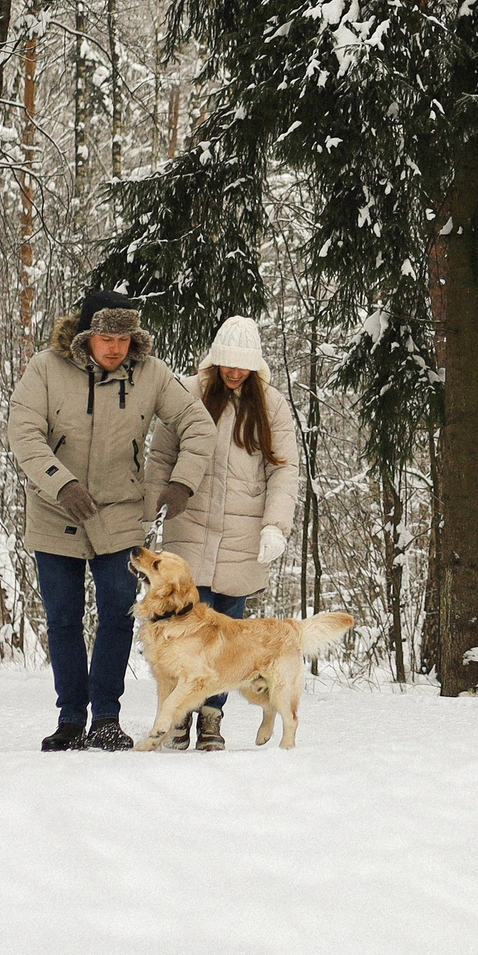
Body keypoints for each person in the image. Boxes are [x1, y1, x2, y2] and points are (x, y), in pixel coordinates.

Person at [6, 287, 213, 752]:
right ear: (86, 335)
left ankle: (106, 718)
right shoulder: (45, 369)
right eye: (106, 337)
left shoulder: (151, 374)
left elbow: (198, 425)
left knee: (120, 613)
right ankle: (70, 718)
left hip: (120, 513)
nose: (116, 347)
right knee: (63, 617)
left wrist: (182, 482)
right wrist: (60, 482)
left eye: (124, 337)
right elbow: (23, 432)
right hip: (54, 508)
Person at [147, 315, 302, 751]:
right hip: (189, 528)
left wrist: (276, 525)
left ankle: (211, 717)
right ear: (214, 361)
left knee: (227, 640)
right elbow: (160, 456)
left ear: (255, 367)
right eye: (227, 364)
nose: (234, 373)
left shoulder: (271, 405)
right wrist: (154, 503)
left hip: (242, 536)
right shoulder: (188, 393)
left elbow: (283, 469)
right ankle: (177, 718)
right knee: (182, 633)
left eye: (243, 366)